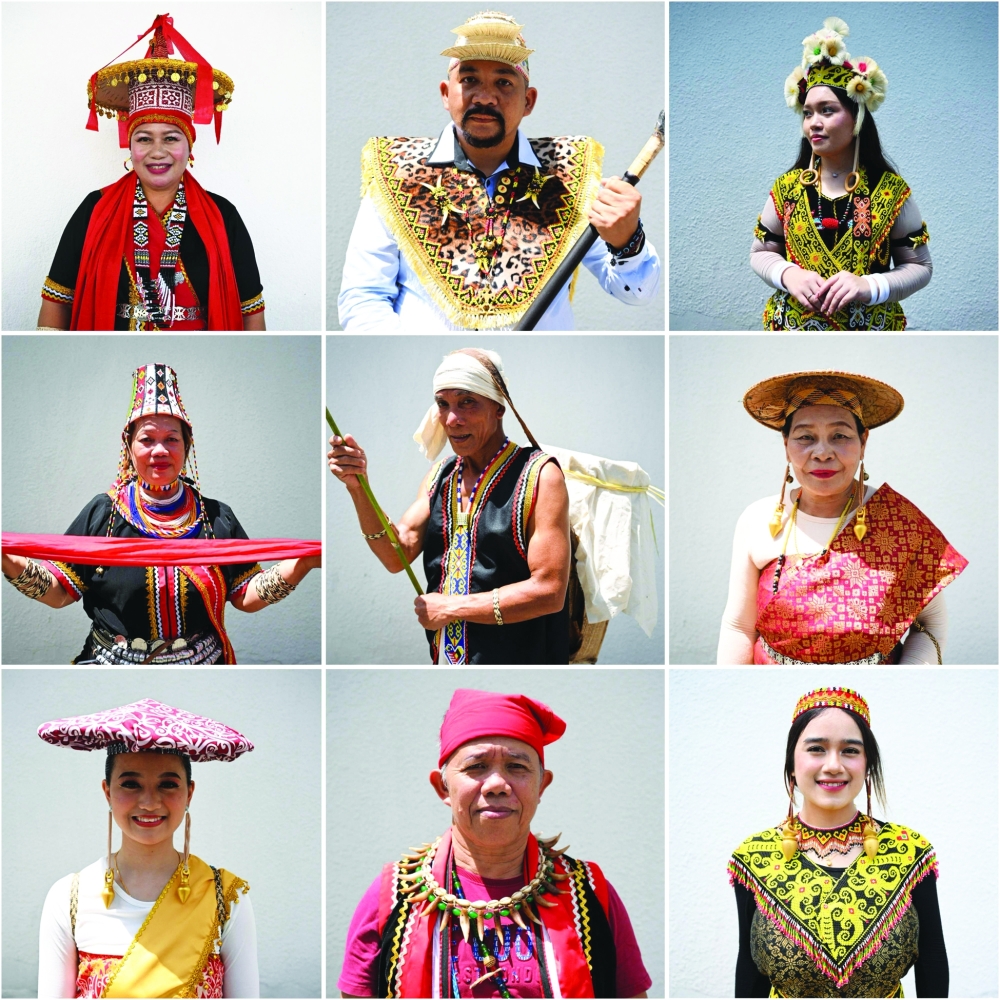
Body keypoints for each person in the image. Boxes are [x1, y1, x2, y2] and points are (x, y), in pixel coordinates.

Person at [338, 10, 660, 330]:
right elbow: (363, 299)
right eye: (469, 79)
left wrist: (627, 241)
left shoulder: (569, 173)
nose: (485, 97)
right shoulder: (396, 170)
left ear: (528, 101)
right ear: (446, 95)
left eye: (504, 82)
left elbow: (636, 293)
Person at [339, 688, 651, 998]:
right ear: (442, 788)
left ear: (542, 785)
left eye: (517, 767)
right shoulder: (392, 896)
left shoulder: (591, 893)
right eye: (476, 767)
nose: (498, 785)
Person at [2, 363, 320, 663]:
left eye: (171, 439)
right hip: (111, 665)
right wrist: (7, 559)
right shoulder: (105, 514)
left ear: (186, 447)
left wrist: (302, 563)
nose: (160, 450)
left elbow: (245, 595)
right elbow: (59, 592)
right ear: (128, 447)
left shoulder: (214, 517)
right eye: (147, 440)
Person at [328, 348, 571, 664]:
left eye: (468, 402)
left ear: (499, 407)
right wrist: (358, 486)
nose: (453, 419)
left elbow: (550, 591)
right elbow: (395, 555)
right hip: (445, 664)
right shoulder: (440, 475)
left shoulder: (540, 475)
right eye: (443, 404)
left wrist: (451, 607)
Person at [717, 370, 967, 664]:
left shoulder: (900, 522)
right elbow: (738, 627)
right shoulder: (756, 519)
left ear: (863, 440)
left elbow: (930, 625)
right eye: (805, 437)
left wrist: (901, 680)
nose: (822, 452)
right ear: (785, 444)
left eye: (840, 436)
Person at [38, 14, 265, 331]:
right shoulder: (95, 209)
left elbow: (250, 309)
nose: (157, 151)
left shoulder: (223, 216)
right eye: (144, 139)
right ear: (130, 147)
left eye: (171, 138)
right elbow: (57, 300)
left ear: (189, 147)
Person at [728, 686, 947, 996]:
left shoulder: (910, 851)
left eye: (850, 750)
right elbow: (750, 968)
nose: (833, 765)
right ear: (791, 764)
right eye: (816, 748)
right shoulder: (754, 857)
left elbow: (933, 961)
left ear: (868, 764)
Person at [36, 698, 259, 999]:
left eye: (168, 784)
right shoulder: (68, 898)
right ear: (107, 792)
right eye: (130, 784)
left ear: (189, 792)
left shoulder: (226, 898)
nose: (150, 803)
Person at [751, 17, 931, 331]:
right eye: (807, 113)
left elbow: (918, 266)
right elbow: (761, 253)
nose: (813, 123)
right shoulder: (786, 189)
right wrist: (788, 275)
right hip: (791, 332)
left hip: (871, 337)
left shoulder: (890, 191)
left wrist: (870, 287)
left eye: (827, 110)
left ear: (856, 117)